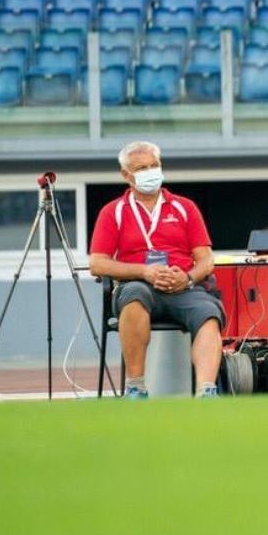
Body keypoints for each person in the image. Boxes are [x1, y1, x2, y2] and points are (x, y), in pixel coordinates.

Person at [89, 141, 223, 398]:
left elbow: (206, 261)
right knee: (134, 296)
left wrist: (187, 278)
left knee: (208, 312)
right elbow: (98, 263)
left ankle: (207, 391)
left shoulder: (185, 207)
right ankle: (136, 388)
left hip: (182, 287)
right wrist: (143, 272)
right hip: (138, 285)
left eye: (154, 166)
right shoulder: (113, 212)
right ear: (126, 176)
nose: (150, 172)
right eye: (141, 168)